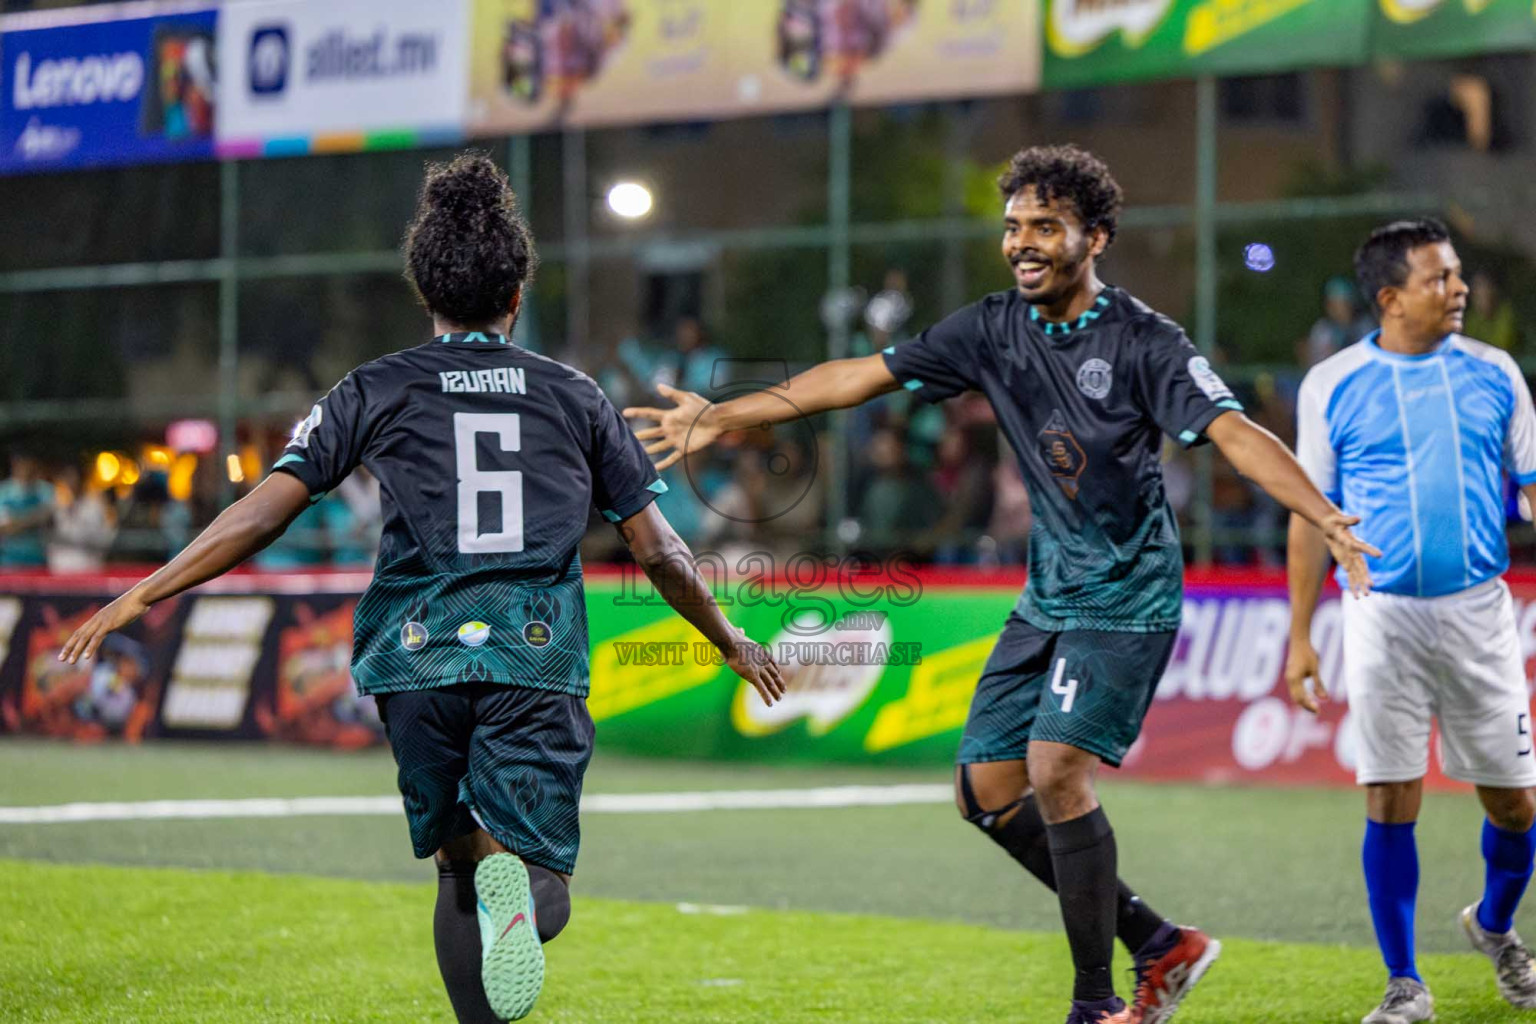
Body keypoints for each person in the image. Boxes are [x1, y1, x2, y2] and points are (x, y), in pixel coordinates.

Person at [627, 144, 1379, 1024]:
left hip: (1126, 593)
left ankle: (1094, 1005)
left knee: (1054, 767)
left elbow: (1236, 434)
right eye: (1014, 226)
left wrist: (1321, 512)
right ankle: (1162, 946)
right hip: (1049, 593)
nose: (1022, 242)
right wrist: (726, 413)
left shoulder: (1145, 341)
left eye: (1045, 227)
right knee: (985, 794)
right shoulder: (990, 327)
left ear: (1094, 238)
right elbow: (861, 377)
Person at [59, 153, 784, 1024]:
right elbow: (660, 550)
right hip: (532, 652)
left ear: (427, 294)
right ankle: (523, 899)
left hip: (415, 655)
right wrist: (729, 640)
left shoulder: (373, 388)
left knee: (456, 862)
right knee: (533, 874)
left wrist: (147, 590)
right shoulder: (576, 396)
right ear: (515, 294)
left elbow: (261, 514)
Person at [1286, 218, 1536, 1024]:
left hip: (1480, 614)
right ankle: (1404, 983)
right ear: (1390, 298)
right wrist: (1298, 636)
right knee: (1391, 797)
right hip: (1380, 614)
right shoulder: (1332, 384)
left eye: (1457, 274)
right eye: (1440, 278)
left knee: (1517, 809)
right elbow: (1307, 515)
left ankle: (1494, 928)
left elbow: (1530, 480)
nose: (1458, 289)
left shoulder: (1497, 374)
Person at [0, 450, 56, 569]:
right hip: (9, 560)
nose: (25, 467)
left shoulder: (47, 491)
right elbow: (5, 528)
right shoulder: (3, 492)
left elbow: (49, 518)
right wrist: (33, 518)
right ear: (14, 464)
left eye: (28, 462)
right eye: (20, 462)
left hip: (39, 559)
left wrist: (17, 523)